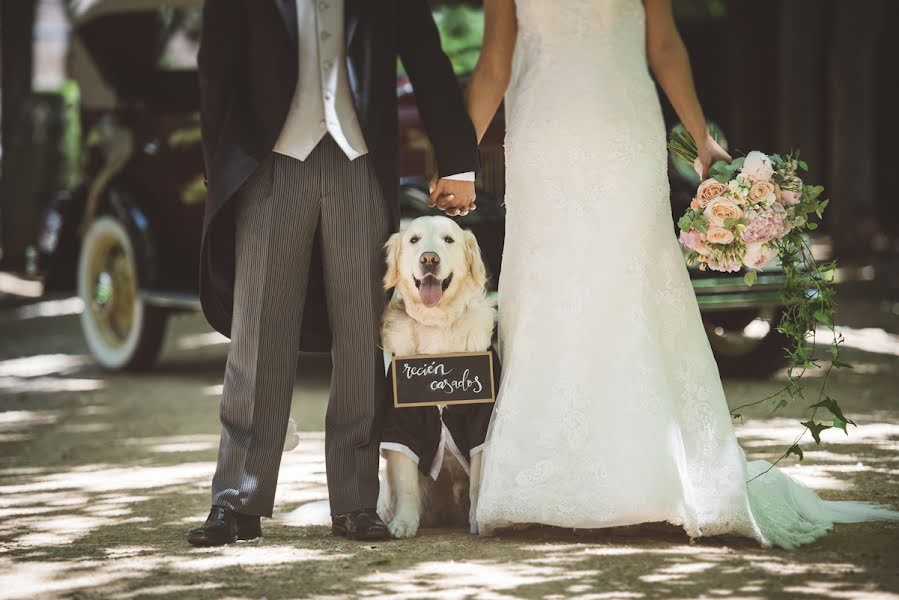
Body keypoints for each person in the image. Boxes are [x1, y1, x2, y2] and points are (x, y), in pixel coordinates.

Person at [452, 0, 899, 548]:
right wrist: (459, 159)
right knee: (549, 289)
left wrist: (700, 137)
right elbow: (495, 60)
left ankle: (647, 476)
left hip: (622, 132)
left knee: (627, 284)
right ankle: (546, 478)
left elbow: (661, 44)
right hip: (545, 135)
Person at [187, 0, 479, 546]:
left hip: (359, 164)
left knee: (360, 334)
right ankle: (237, 499)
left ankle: (354, 502)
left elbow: (425, 54)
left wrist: (458, 159)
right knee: (257, 334)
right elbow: (216, 65)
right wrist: (219, 168)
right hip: (269, 166)